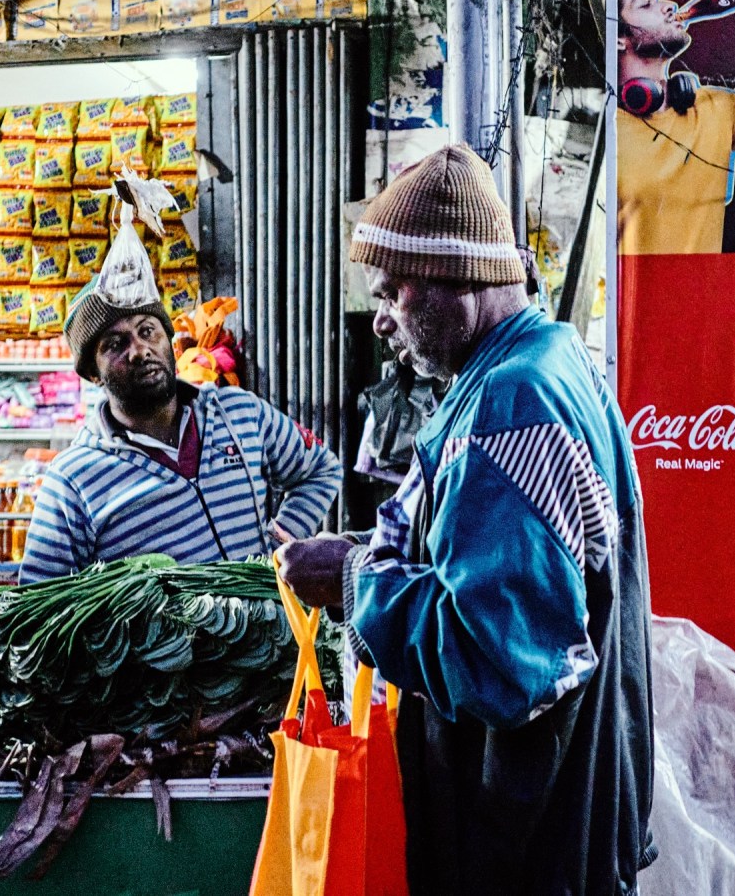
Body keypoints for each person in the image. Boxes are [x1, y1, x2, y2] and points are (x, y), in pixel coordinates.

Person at [278, 144, 654, 896]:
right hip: (564, 802)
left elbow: (498, 658)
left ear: (460, 282)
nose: (382, 322)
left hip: (526, 837)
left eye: (394, 294)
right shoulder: (550, 357)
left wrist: (352, 580)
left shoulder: (512, 405)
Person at [20, 281, 342, 583]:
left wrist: (282, 543)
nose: (140, 350)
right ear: (93, 374)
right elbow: (36, 605)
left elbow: (321, 469)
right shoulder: (73, 480)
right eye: (115, 344)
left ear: (169, 339)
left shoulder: (239, 413)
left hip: (266, 639)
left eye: (148, 331)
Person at [616, 0, 735, 255]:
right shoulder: (605, 129)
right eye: (646, 4)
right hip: (625, 301)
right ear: (619, 39)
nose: (669, 5)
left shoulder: (715, 107)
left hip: (703, 299)